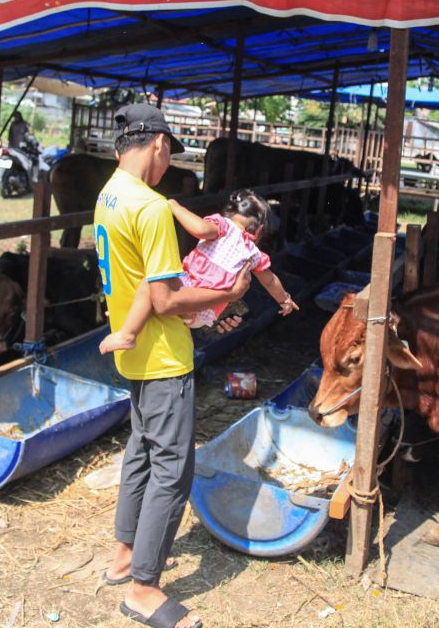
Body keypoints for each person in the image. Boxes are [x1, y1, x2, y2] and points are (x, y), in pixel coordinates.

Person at [95, 103, 249, 628]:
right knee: (171, 470)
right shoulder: (152, 207)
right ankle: (143, 587)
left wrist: (203, 311)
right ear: (158, 144)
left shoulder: (108, 195)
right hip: (162, 358)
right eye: (169, 154)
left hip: (134, 354)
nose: (168, 164)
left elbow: (142, 285)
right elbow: (163, 298)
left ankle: (123, 556)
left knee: (140, 452)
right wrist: (227, 292)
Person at [98, 189, 298, 354]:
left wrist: (175, 207)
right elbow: (270, 281)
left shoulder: (222, 226)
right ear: (260, 230)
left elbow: (201, 229)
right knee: (156, 296)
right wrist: (285, 300)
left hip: (187, 291)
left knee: (150, 283)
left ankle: (127, 332)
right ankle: (129, 314)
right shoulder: (253, 253)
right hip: (204, 313)